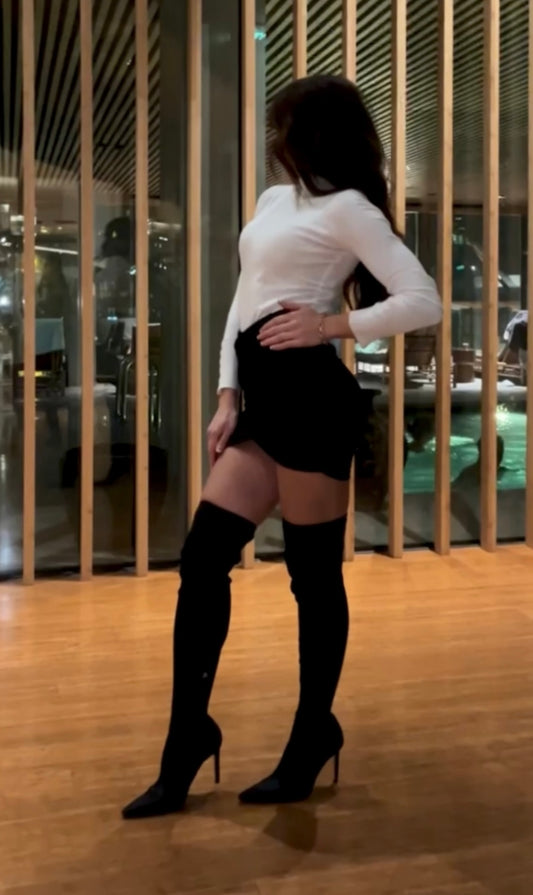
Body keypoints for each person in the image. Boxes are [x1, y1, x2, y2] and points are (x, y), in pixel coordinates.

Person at [122, 74, 442, 820]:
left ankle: (311, 733)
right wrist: (226, 394)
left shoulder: (350, 210)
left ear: (315, 134)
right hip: (261, 400)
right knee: (203, 560)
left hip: (311, 401)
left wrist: (330, 326)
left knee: (311, 578)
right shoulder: (275, 202)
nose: (276, 141)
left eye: (285, 127)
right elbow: (244, 300)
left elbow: (422, 299)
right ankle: (187, 738)